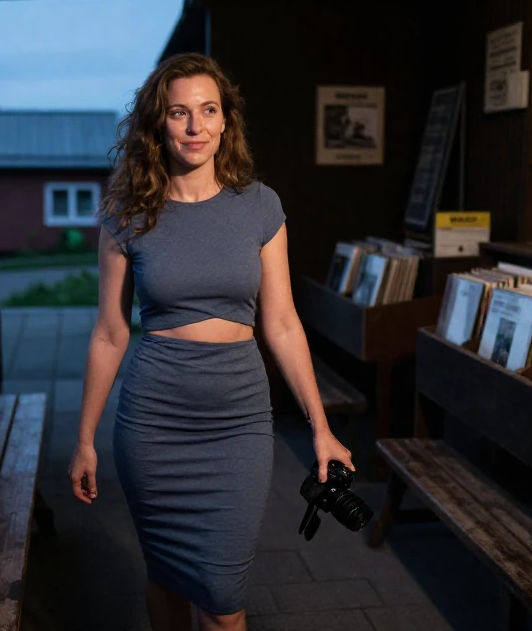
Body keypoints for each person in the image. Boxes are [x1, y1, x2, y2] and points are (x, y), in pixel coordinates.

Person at [68, 52, 355, 631]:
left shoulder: (259, 206)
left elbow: (281, 323)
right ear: (160, 123)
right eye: (180, 113)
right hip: (154, 421)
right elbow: (110, 331)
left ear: (226, 121)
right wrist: (84, 440)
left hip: (237, 422)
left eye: (208, 110)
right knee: (167, 579)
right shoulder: (127, 213)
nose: (195, 126)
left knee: (224, 600)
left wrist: (321, 428)